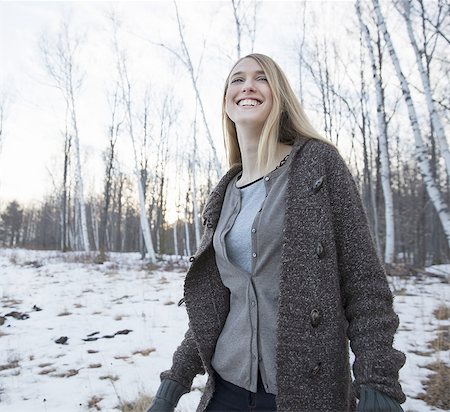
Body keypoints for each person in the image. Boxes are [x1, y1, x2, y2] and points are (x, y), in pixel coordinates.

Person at [147, 53, 406, 412]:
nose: (247, 85)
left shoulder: (318, 165)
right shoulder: (224, 193)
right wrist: (173, 385)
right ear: (226, 100)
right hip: (225, 393)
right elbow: (217, 307)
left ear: (279, 95)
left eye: (261, 78)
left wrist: (379, 383)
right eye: (237, 79)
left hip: (307, 394)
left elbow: (364, 284)